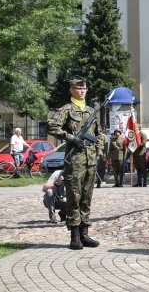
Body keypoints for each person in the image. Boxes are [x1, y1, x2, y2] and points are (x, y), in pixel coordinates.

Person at [48, 76, 103, 250]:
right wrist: (71, 138)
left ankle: (85, 233)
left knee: (86, 197)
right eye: (79, 88)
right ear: (71, 90)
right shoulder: (66, 109)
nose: (82, 91)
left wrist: (99, 150)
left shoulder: (91, 111)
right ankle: (75, 236)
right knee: (74, 197)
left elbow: (100, 134)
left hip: (90, 160)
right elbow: (52, 126)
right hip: (75, 161)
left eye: (84, 89)